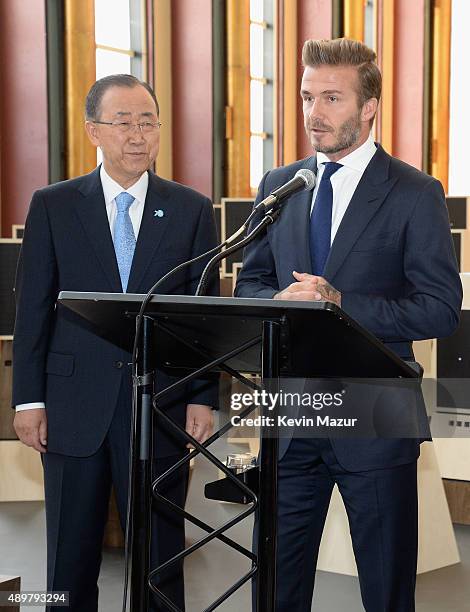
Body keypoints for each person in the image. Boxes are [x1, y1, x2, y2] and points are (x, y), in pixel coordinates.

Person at [235, 38, 462, 611]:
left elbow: (438, 306)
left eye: (331, 98)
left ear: (368, 107)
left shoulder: (415, 193)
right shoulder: (279, 187)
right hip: (288, 415)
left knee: (386, 591)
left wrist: (342, 302)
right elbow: (250, 284)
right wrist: (278, 299)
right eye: (308, 97)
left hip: (376, 413)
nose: (314, 113)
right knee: (277, 587)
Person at [12, 74, 218, 611]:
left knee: (159, 558)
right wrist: (28, 400)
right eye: (123, 122)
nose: (137, 135)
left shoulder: (192, 209)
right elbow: (33, 308)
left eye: (148, 122)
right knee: (67, 560)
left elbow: (202, 317)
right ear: (93, 132)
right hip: (70, 405)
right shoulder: (53, 205)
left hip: (162, 406)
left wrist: (202, 394)